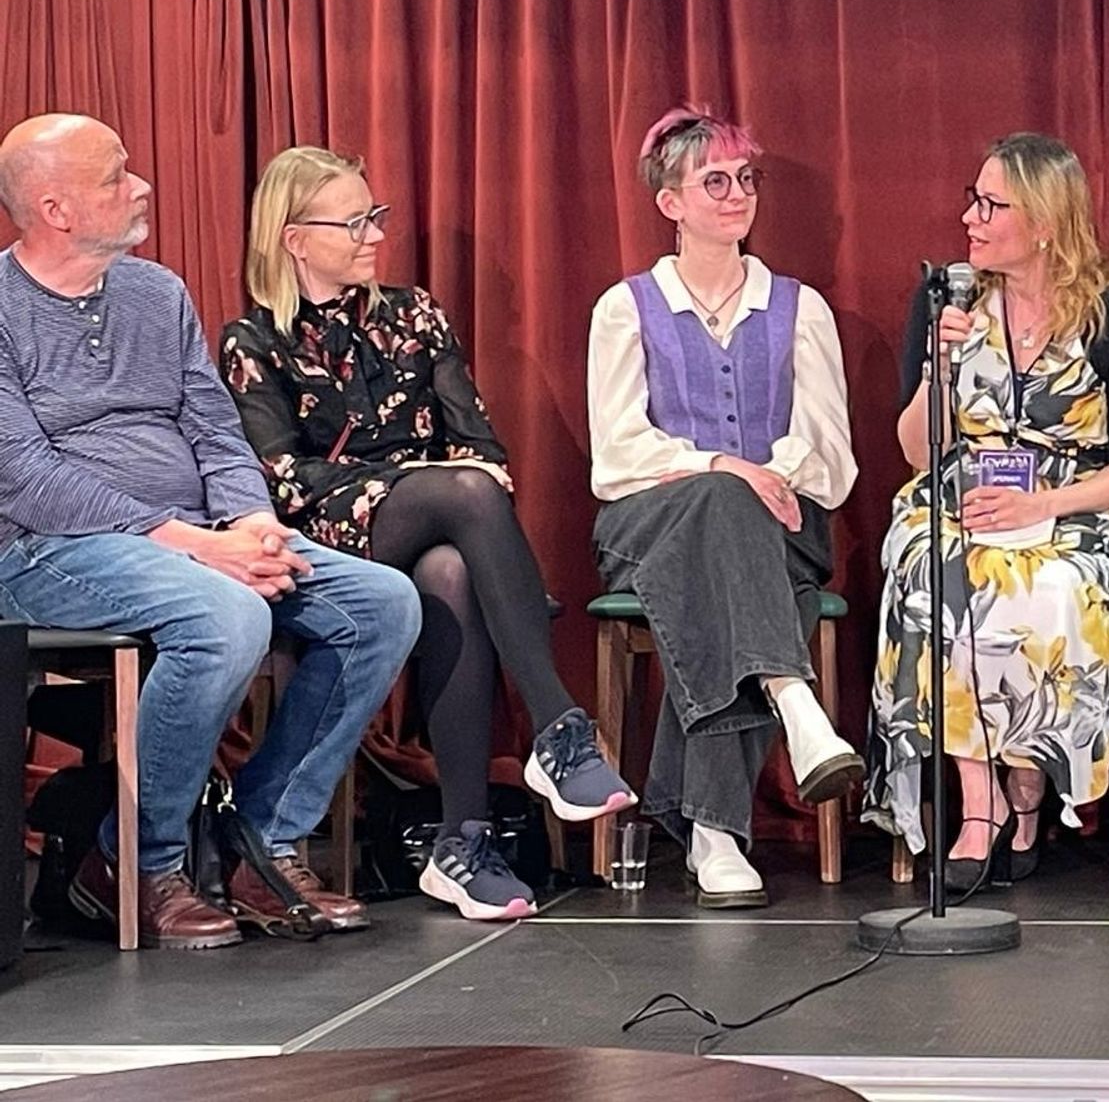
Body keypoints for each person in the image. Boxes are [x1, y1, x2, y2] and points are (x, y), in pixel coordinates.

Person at [0, 114, 421, 950]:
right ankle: (140, 859)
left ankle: (260, 840)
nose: (141, 186)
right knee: (226, 617)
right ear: (55, 208)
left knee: (383, 602)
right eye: (117, 176)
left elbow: (215, 430)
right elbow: (24, 474)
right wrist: (194, 546)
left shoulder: (157, 293)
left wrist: (254, 524)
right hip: (46, 548)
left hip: (201, 539)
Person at [220, 147, 634, 923]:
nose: (375, 234)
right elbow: (282, 480)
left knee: (451, 570)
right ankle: (557, 727)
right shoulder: (254, 344)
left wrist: (432, 488)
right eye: (353, 221)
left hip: (442, 526)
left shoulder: (414, 314)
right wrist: (405, 485)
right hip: (330, 545)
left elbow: (480, 445)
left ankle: (462, 841)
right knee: (462, 498)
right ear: (293, 237)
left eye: (374, 215)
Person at [865, 133, 1109, 891]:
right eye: (974, 198)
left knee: (1051, 588)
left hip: (1071, 510)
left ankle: (1027, 778)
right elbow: (912, 450)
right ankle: (979, 803)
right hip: (959, 501)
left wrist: (1043, 503)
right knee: (938, 570)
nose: (971, 217)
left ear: (1045, 222)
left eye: (992, 204)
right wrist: (939, 362)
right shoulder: (947, 305)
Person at [587, 109, 861, 909]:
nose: (736, 195)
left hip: (782, 528)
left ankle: (713, 830)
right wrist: (718, 464)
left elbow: (831, 456)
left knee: (721, 561)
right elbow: (616, 458)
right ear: (670, 201)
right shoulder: (625, 308)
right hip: (649, 524)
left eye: (746, 179)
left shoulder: (799, 308)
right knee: (717, 506)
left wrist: (762, 476)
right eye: (715, 181)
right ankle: (791, 699)